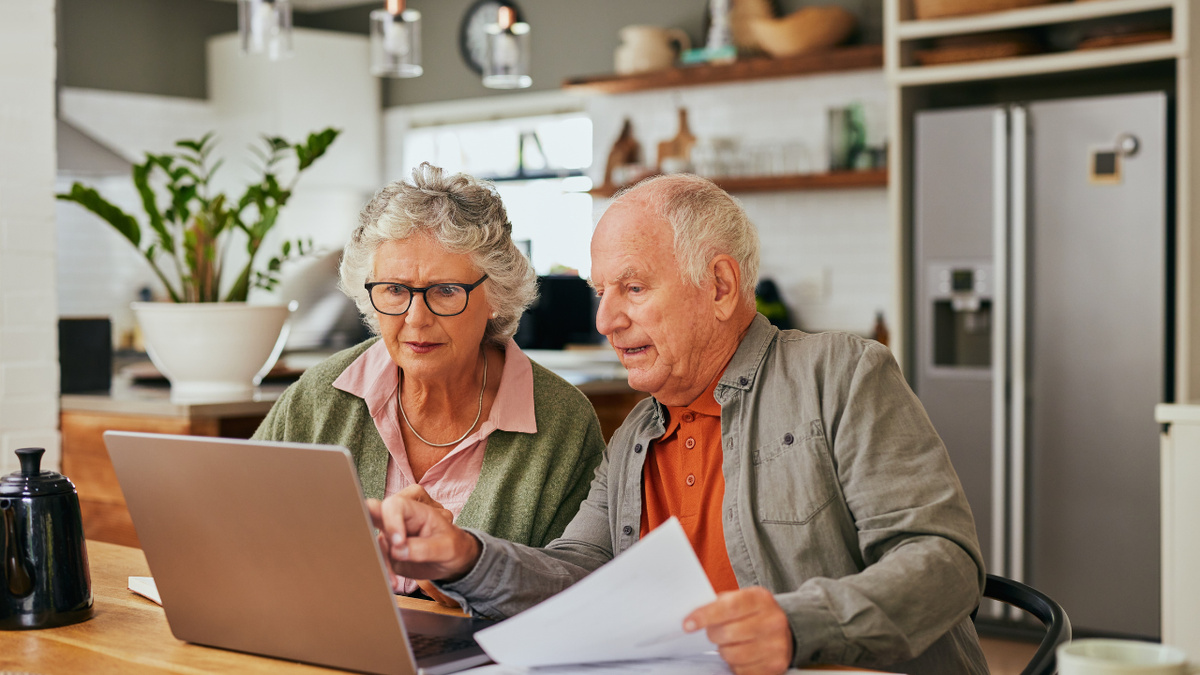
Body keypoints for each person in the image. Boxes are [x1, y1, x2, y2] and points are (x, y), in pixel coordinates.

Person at [368, 173, 989, 674]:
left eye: (633, 288)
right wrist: (464, 556)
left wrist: (797, 626)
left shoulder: (841, 375)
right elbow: (577, 580)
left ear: (719, 285)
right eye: (601, 292)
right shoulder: (636, 435)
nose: (606, 320)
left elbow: (944, 564)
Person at [253, 163, 606, 602]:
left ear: (495, 296)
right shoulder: (319, 395)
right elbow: (241, 522)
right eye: (394, 290)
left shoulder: (562, 422)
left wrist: (461, 577)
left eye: (445, 291)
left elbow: (573, 592)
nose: (416, 319)